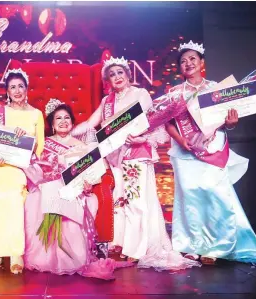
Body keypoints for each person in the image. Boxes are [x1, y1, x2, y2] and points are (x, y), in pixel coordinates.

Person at [146, 40, 256, 266]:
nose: (188, 63)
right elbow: (167, 123)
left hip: (212, 147)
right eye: (184, 61)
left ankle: (217, 246)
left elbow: (227, 123)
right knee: (189, 197)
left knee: (214, 195)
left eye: (192, 59)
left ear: (201, 62)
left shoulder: (216, 89)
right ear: (180, 67)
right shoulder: (175, 93)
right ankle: (190, 245)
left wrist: (232, 122)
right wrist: (181, 139)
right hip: (184, 150)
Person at [71, 57, 200, 271]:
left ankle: (138, 249)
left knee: (138, 201)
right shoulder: (106, 102)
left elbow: (152, 123)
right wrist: (64, 131)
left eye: (120, 72)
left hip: (137, 152)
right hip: (116, 156)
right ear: (108, 80)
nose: (117, 77)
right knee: (123, 201)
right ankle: (125, 245)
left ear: (128, 75)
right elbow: (90, 124)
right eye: (112, 75)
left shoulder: (140, 94)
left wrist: (141, 139)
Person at [24, 99, 132, 279]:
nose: (63, 121)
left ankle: (70, 257)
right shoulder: (44, 144)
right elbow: (36, 168)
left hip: (73, 190)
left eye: (67, 118)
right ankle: (45, 256)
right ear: (52, 123)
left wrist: (87, 184)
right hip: (47, 185)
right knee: (34, 200)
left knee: (69, 198)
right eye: (58, 118)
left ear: (72, 123)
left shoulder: (82, 147)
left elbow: (92, 173)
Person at [0, 61, 45, 274]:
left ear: (27, 89)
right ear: (7, 91)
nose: (17, 90)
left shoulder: (36, 114)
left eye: (20, 86)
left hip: (20, 168)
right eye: (12, 87)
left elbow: (39, 147)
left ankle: (16, 253)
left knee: (14, 201)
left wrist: (26, 144)